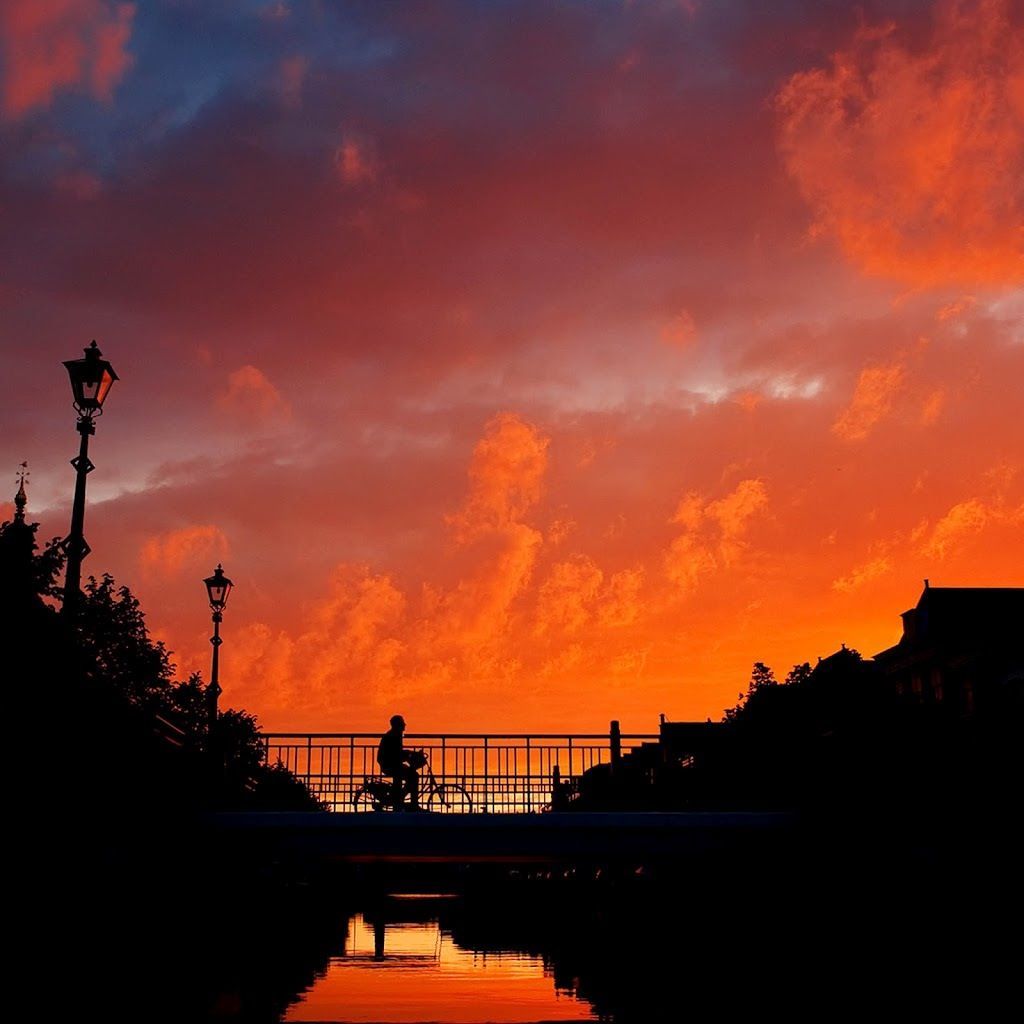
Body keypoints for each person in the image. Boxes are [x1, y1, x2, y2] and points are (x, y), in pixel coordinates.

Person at [376, 714, 421, 810]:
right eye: (402, 723)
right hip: (390, 765)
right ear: (398, 725)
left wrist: (408, 754)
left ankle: (399, 800)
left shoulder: (393, 734)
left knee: (409, 775)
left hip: (390, 764)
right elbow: (396, 753)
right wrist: (409, 755)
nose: (405, 725)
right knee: (414, 776)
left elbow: (397, 753)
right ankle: (412, 804)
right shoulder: (394, 736)